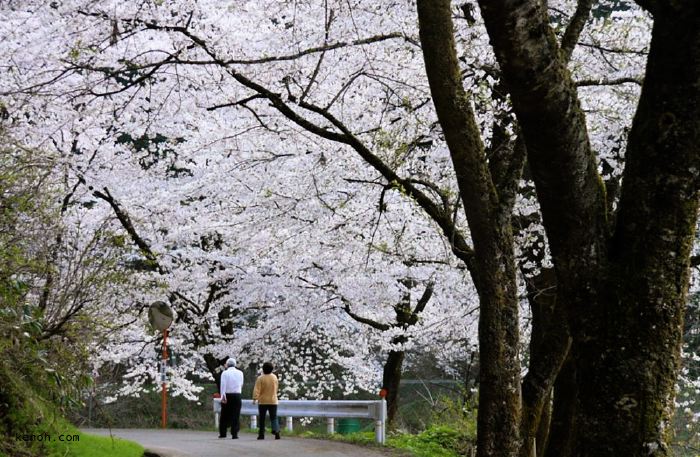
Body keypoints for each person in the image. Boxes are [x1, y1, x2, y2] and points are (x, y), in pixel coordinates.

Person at [252, 361, 280, 440]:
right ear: (272, 369)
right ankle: (276, 432)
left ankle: (261, 434)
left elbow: (257, 389)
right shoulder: (274, 377)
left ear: (263, 369)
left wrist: (255, 398)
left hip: (263, 401)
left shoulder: (260, 378)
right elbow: (276, 387)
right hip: (273, 400)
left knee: (262, 418)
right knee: (274, 417)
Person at [219, 357, 244, 439]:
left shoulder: (225, 373)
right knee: (236, 414)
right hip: (237, 395)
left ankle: (223, 433)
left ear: (227, 365)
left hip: (227, 395)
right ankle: (235, 433)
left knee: (224, 414)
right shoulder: (240, 373)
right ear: (235, 364)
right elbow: (241, 384)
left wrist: (223, 396)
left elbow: (223, 385)